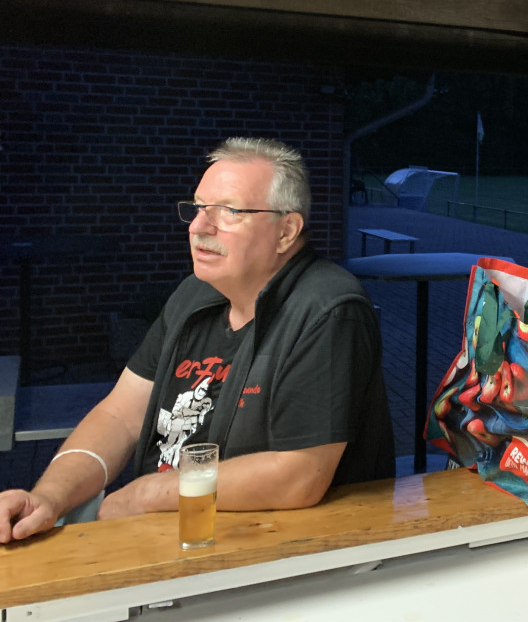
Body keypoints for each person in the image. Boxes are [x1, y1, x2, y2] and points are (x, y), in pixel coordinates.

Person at [0, 138, 395, 543]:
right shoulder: (195, 294)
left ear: (286, 231)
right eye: (199, 208)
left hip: (268, 548)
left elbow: (298, 476)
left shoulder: (328, 309)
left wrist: (146, 494)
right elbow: (119, 415)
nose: (199, 227)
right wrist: (48, 497)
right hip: (169, 531)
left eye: (229, 211)